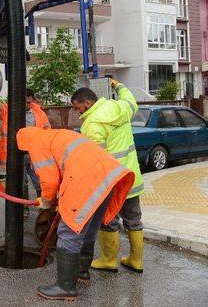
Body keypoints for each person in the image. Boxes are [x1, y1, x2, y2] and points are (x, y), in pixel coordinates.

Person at [17, 127, 135, 300]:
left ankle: (65, 287)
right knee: (87, 229)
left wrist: (46, 201)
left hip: (85, 181)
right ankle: (81, 273)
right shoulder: (58, 135)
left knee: (69, 232)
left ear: (23, 145)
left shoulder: (36, 143)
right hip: (107, 176)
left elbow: (49, 180)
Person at [71, 80, 144, 274]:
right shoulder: (119, 106)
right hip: (131, 177)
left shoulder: (92, 124)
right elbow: (130, 100)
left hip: (112, 181)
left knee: (107, 219)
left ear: (86, 103)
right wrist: (117, 85)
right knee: (134, 219)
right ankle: (136, 261)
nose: (76, 111)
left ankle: (109, 260)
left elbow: (97, 161)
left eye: (76, 107)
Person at [0, 87, 50, 197]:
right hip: (17, 153)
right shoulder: (8, 110)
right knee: (21, 183)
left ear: (32, 101)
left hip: (35, 154)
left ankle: (44, 207)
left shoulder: (39, 112)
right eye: (23, 102)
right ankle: (24, 208)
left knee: (40, 182)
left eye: (28, 102)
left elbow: (47, 131)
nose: (26, 105)